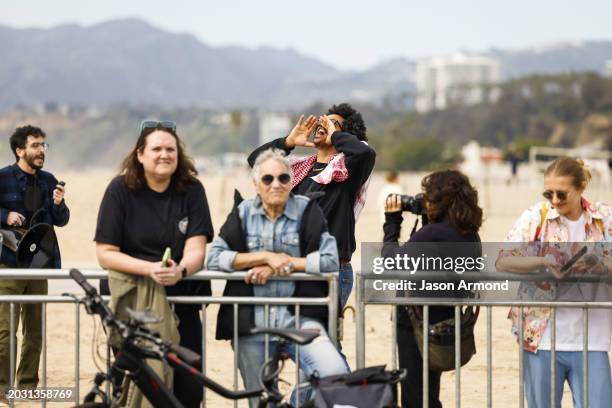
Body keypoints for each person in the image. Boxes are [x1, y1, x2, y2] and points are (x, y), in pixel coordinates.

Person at [207, 149, 349, 408]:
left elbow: (330, 260)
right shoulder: (242, 213)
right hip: (252, 321)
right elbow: (215, 257)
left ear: (291, 180)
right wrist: (261, 257)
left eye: (284, 178)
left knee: (335, 376)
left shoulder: (308, 211)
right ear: (256, 184)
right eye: (268, 179)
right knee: (258, 400)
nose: (276, 184)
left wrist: (282, 264)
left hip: (300, 317)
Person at [94, 120, 213, 408]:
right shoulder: (119, 190)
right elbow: (106, 253)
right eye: (156, 148)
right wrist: (149, 269)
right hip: (131, 305)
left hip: (182, 300)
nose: (164, 155)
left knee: (187, 389)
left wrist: (180, 270)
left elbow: (197, 248)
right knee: (136, 385)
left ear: (179, 154)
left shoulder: (192, 189)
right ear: (140, 154)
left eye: (170, 149)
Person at [495, 157, 612, 408]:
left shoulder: (605, 219)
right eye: (549, 193)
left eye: (562, 194)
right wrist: (543, 261)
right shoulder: (536, 216)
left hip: (592, 338)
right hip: (541, 337)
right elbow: (503, 260)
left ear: (581, 188)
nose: (555, 200)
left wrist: (598, 264)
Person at [248, 103, 375, 309]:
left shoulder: (347, 171)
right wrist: (287, 142)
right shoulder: (300, 169)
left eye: (333, 124)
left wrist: (334, 135)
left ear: (345, 137)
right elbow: (256, 161)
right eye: (323, 121)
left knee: (323, 337)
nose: (323, 125)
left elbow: (365, 153)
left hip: (330, 270)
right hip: (295, 266)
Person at [383, 170, 483, 408]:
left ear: (440, 200)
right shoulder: (469, 234)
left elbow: (390, 262)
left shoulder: (432, 234)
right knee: (429, 391)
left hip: (416, 321)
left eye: (429, 197)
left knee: (415, 393)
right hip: (446, 320)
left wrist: (392, 223)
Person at [0, 125, 69, 398]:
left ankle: (27, 388)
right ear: (20, 150)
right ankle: (2, 389)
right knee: (4, 332)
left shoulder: (49, 180)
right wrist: (4, 216)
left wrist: (59, 203)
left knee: (35, 333)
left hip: (39, 263)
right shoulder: (3, 178)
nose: (42, 150)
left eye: (44, 145)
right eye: (36, 145)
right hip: (8, 263)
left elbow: (61, 220)